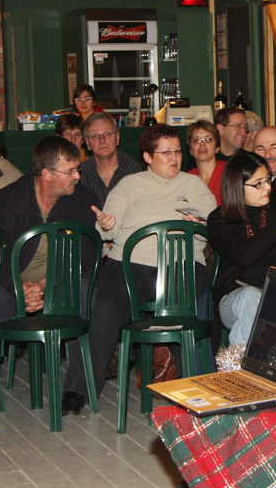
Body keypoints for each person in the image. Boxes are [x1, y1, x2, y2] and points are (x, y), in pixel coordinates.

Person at [64, 124, 216, 415]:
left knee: (178, 309)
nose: (175, 158)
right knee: (105, 307)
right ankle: (78, 389)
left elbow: (213, 227)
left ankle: (190, 393)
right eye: (166, 153)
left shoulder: (194, 186)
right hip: (130, 265)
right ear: (147, 156)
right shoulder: (130, 185)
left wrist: (203, 225)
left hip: (180, 265)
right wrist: (106, 225)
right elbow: (108, 228)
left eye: (177, 151)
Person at [0, 136, 98, 405]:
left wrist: (47, 284)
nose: (77, 177)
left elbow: (86, 253)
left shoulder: (82, 200)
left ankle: (78, 382)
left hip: (60, 279)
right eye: (70, 171)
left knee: (87, 291)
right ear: (46, 174)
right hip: (14, 279)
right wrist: (18, 288)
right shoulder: (7, 200)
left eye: (77, 169)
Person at [208, 152, 276, 345]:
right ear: (237, 187)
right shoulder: (220, 219)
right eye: (258, 183)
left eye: (268, 179)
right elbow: (244, 257)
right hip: (237, 297)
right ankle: (244, 372)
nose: (267, 187)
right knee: (251, 297)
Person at [78, 112, 142, 209]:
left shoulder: (138, 171)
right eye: (95, 136)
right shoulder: (79, 175)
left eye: (107, 134)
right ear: (87, 143)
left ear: (117, 137)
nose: (102, 140)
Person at [185, 120, 224, 205]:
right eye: (197, 140)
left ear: (217, 148)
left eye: (208, 139)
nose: (202, 144)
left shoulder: (229, 172)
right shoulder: (186, 179)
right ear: (190, 150)